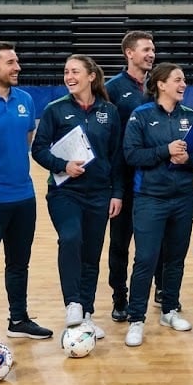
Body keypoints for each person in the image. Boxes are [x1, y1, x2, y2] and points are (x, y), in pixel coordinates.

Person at [31, 54, 124, 341]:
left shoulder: (109, 111)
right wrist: (63, 165)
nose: (69, 77)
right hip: (65, 192)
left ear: (91, 76)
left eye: (75, 72)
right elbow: (38, 149)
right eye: (66, 72)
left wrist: (117, 193)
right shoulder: (55, 110)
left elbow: (117, 157)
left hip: (100, 193)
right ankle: (73, 303)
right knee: (71, 238)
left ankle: (87, 313)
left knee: (91, 255)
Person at [121, 63, 193, 347]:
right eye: (178, 80)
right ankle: (136, 319)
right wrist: (165, 151)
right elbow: (131, 155)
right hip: (150, 198)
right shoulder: (141, 115)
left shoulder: (190, 115)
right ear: (161, 84)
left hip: (183, 197)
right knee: (146, 259)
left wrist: (188, 159)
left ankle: (170, 310)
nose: (183, 84)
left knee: (175, 258)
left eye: (184, 80)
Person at [0, 41, 52, 340]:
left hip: (23, 197)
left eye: (17, 61)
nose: (17, 67)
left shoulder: (25, 99)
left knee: (19, 263)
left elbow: (27, 141)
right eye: (10, 62)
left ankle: (18, 319)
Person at [105, 31, 159, 320]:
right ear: (129, 53)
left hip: (154, 175)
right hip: (124, 178)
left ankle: (162, 289)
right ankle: (119, 297)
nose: (151, 54)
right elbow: (108, 138)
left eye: (153, 49)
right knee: (120, 243)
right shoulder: (112, 88)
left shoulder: (158, 85)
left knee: (157, 239)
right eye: (146, 49)